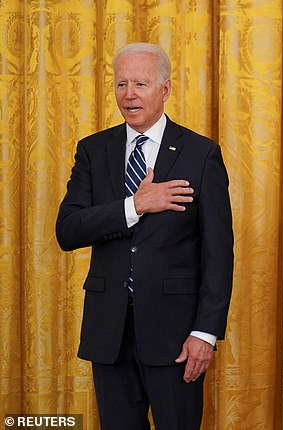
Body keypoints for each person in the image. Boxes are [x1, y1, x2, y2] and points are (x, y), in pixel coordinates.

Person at [56, 43, 234, 430]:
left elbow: (218, 254)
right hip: (109, 335)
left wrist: (205, 333)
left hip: (177, 338)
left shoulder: (201, 154)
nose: (129, 94)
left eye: (140, 83)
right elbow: (67, 231)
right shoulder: (93, 150)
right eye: (121, 84)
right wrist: (135, 205)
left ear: (165, 89)